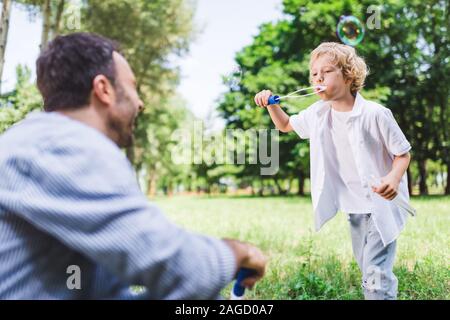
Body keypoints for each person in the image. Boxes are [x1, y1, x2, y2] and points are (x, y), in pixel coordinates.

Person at [0, 32, 266, 299]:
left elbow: (106, 292)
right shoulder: (64, 146)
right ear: (104, 89)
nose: (140, 103)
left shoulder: (43, 142)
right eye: (132, 86)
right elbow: (177, 268)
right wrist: (237, 252)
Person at [254, 42, 413, 300]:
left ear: (349, 75)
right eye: (314, 73)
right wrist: (270, 103)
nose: (317, 77)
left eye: (326, 71)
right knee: (368, 270)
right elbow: (284, 125)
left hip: (381, 205)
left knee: (375, 278)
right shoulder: (317, 113)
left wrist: (393, 178)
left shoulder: (375, 114)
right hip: (353, 206)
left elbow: (402, 153)